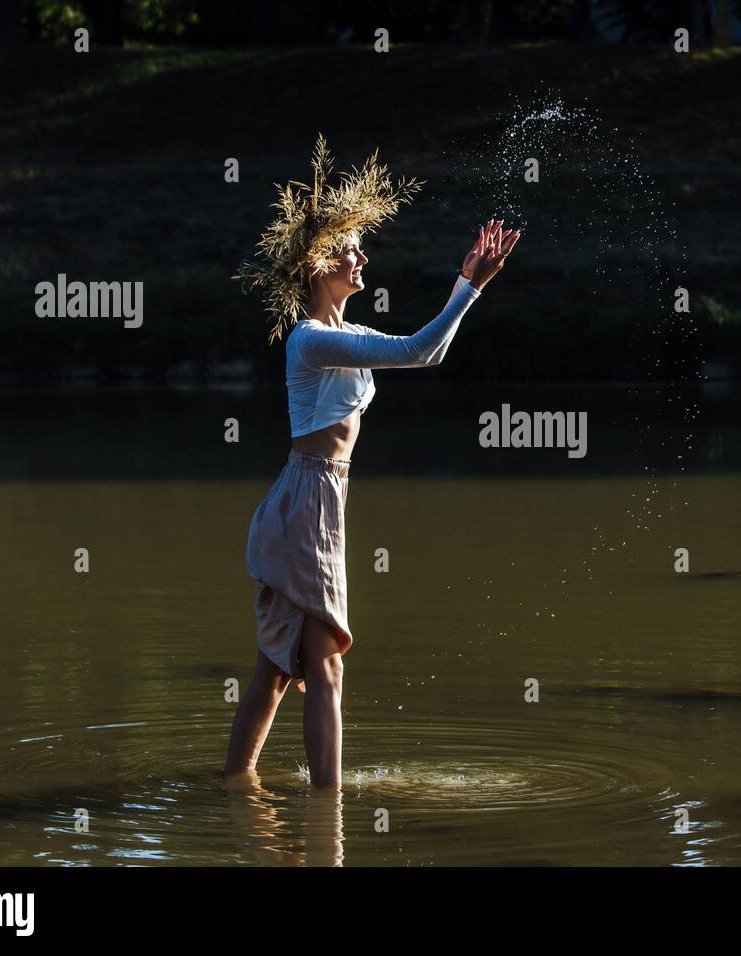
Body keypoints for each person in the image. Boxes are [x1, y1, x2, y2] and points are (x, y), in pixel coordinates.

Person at [224, 136, 521, 785]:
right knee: (321, 666)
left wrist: (467, 284)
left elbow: (426, 353)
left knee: (276, 671)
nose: (363, 256)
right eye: (350, 249)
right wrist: (469, 286)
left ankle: (234, 791)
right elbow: (420, 351)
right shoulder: (312, 339)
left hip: (314, 503)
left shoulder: (345, 336)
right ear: (318, 265)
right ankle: (326, 816)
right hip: (308, 503)